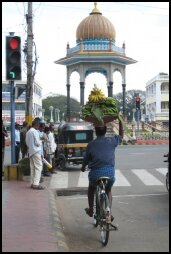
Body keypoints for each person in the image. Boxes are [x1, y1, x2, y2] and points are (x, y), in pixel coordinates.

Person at [81, 125, 122, 217]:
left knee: (91, 188)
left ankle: (91, 210)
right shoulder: (112, 141)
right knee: (108, 190)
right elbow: (121, 136)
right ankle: (109, 212)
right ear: (106, 131)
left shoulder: (91, 144)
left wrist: (83, 167)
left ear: (95, 131)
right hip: (109, 173)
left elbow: (86, 159)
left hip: (95, 174)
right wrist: (120, 122)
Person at [26, 119, 44, 190]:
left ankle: (32, 183)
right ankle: (36, 184)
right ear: (36, 124)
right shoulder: (35, 132)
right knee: (38, 167)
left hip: (31, 151)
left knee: (33, 168)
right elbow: (37, 143)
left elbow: (26, 142)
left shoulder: (28, 132)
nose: (39, 126)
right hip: (36, 151)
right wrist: (41, 141)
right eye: (39, 125)